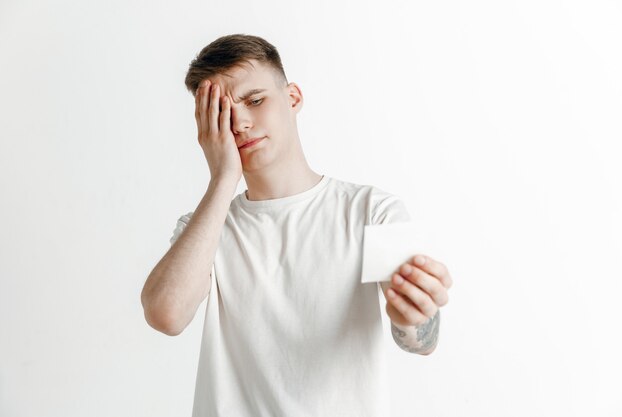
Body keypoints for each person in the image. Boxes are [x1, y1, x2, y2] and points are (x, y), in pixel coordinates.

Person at [140, 33, 453, 417]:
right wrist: (223, 179)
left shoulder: (372, 211)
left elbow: (422, 342)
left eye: (255, 101)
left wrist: (415, 315)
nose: (239, 122)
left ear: (293, 99)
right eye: (221, 114)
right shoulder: (206, 228)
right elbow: (165, 315)